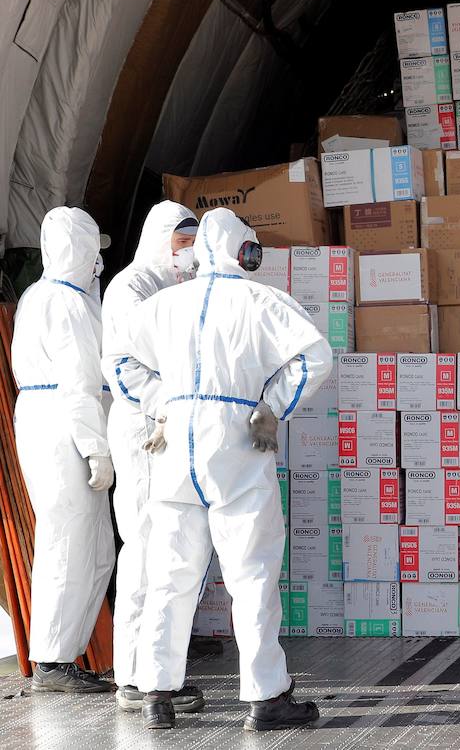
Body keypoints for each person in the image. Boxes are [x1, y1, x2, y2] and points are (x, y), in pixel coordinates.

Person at [115, 208, 333, 731]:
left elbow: (119, 360)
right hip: (236, 440)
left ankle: (156, 694)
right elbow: (315, 356)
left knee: (170, 576)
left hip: (175, 445)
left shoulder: (164, 305)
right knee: (251, 574)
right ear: (245, 250)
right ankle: (265, 697)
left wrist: (160, 404)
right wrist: (273, 406)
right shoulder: (262, 301)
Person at [99, 202, 203, 713]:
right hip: (144, 429)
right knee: (142, 547)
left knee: (172, 550)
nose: (188, 253)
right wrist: (169, 404)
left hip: (173, 426)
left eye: (193, 244)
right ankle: (134, 678)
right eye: (182, 244)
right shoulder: (131, 287)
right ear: (162, 240)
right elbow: (124, 366)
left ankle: (160, 672)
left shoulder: (181, 288)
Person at [13, 207, 115, 694]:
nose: (98, 262)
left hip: (47, 418)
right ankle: (53, 661)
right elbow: (80, 385)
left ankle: (63, 655)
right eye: (94, 251)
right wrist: (98, 449)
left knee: (93, 550)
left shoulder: (42, 296)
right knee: (68, 544)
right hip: (63, 426)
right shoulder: (69, 305)